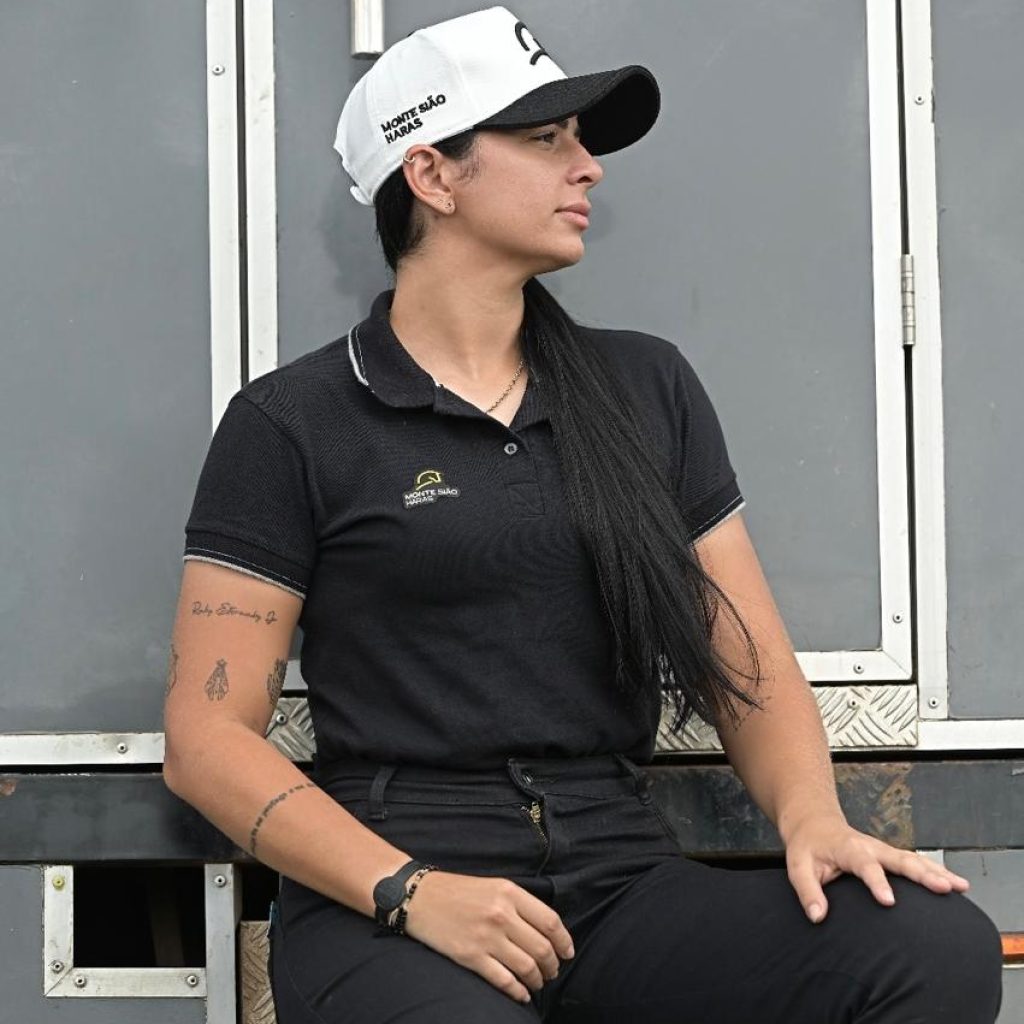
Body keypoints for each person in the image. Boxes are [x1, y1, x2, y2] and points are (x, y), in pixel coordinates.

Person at [163, 6, 1004, 1022]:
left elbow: (745, 661)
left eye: (579, 139)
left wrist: (811, 816)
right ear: (432, 175)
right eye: (544, 138)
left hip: (615, 873)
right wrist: (410, 891)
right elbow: (205, 737)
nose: (588, 167)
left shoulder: (645, 387)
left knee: (931, 948)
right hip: (392, 887)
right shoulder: (293, 421)